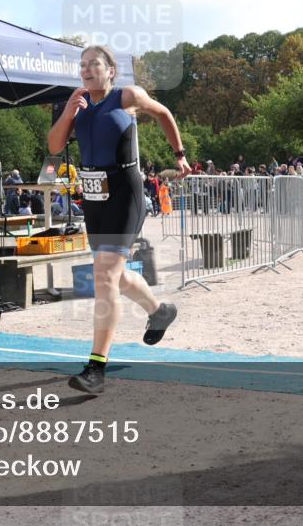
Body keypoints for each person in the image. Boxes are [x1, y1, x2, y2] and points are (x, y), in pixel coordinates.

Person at [48, 45, 190, 394]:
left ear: (110, 70)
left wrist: (180, 155)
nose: (86, 70)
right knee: (115, 275)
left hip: (125, 193)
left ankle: (96, 368)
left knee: (104, 276)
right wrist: (68, 113)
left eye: (93, 64)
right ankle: (159, 311)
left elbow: (164, 114)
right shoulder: (77, 101)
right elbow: (54, 146)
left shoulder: (127, 96)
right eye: (82, 65)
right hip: (95, 199)